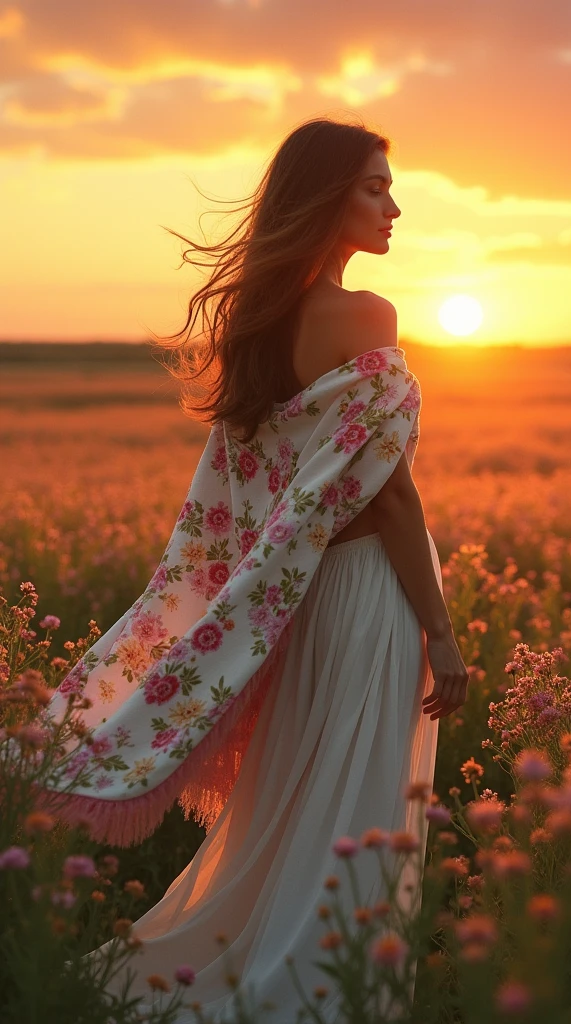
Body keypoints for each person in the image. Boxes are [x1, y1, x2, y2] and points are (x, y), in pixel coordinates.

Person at [75, 116, 469, 1022]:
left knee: (293, 801)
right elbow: (392, 498)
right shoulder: (368, 317)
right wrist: (440, 630)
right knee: (358, 805)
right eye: (375, 187)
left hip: (298, 600)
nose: (394, 206)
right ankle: (324, 990)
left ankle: (247, 971)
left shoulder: (259, 322)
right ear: (327, 197)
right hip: (369, 589)